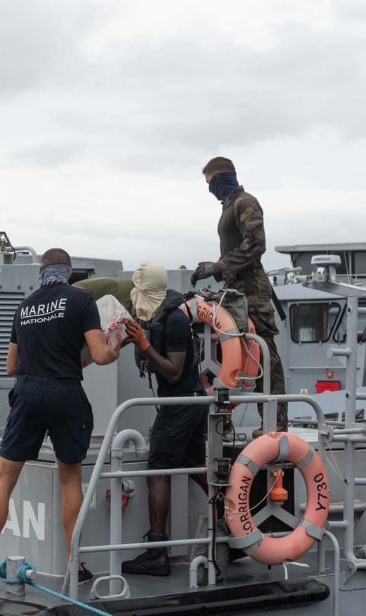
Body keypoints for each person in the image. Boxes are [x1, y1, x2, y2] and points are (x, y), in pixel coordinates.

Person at [0, 248, 122, 589]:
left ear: (42, 272)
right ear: (68, 272)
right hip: (65, 392)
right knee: (70, 478)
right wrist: (118, 344)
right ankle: (76, 564)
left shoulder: (24, 306)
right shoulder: (80, 301)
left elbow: (11, 366)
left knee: (3, 479)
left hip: (28, 393)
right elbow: (101, 355)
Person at [120, 262, 208, 577]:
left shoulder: (174, 321)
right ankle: (234, 525)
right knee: (198, 465)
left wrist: (143, 345)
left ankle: (157, 552)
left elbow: (172, 370)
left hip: (181, 404)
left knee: (158, 470)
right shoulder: (163, 317)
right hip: (192, 401)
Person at [191, 156, 287, 432]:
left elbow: (256, 244)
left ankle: (276, 424)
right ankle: (225, 417)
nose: (210, 190)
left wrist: (219, 266)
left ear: (221, 179)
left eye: (210, 184)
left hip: (252, 290)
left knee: (265, 353)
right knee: (234, 350)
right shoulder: (230, 207)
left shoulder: (245, 203)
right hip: (236, 290)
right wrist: (217, 268)